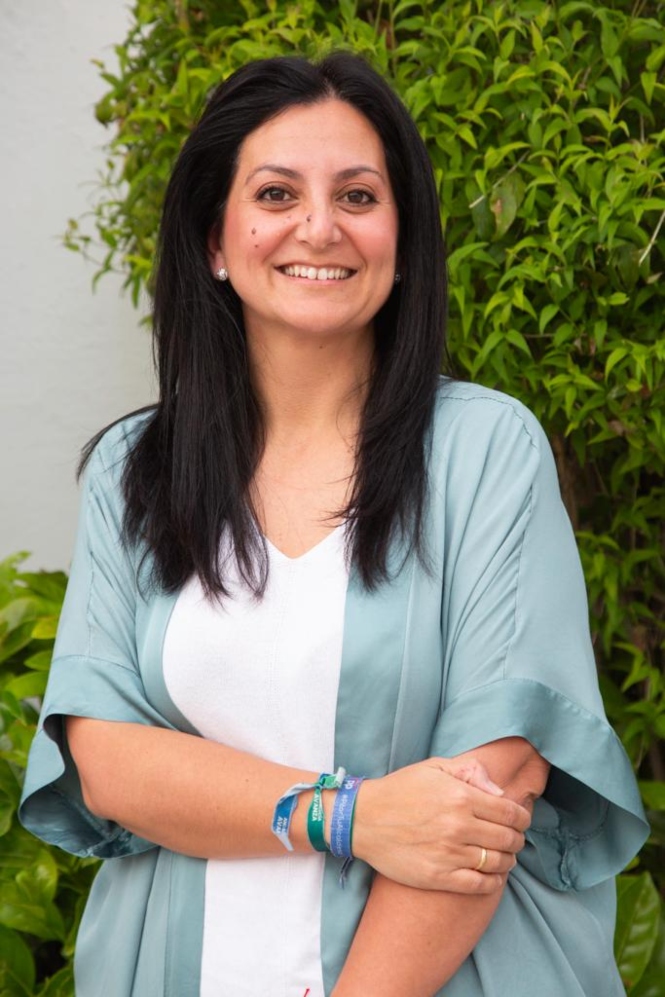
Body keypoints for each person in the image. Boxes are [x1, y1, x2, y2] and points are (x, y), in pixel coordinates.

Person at [20, 52, 648, 996]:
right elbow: (106, 757)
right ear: (215, 241)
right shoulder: (133, 468)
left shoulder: (485, 450)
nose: (319, 226)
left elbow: (493, 785)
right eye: (276, 193)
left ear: (402, 239)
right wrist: (349, 815)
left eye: (358, 195)